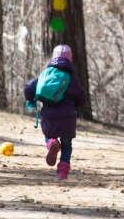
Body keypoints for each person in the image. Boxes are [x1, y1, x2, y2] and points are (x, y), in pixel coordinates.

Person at [24, 44, 87, 180]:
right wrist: (76, 102)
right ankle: (62, 173)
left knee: (49, 135)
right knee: (66, 145)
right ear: (70, 59)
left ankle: (51, 143)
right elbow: (82, 99)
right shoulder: (72, 79)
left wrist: (30, 100)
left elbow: (29, 87)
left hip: (48, 114)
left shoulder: (44, 75)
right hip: (67, 116)